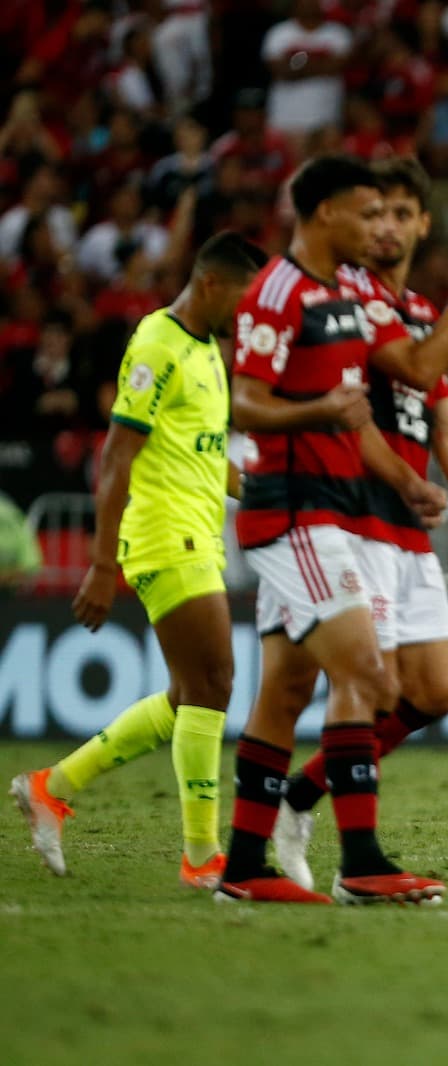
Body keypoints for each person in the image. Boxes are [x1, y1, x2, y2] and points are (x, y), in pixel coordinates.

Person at [217, 155, 448, 904]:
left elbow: (409, 387)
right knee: (369, 679)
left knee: (289, 690)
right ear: (326, 216)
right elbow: (250, 402)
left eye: (392, 212)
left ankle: (245, 868)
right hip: (302, 512)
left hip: (338, 510)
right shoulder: (287, 292)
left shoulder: (343, 302)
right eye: (365, 212)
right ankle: (362, 863)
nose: (377, 225)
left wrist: (443, 495)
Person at [10, 232, 268, 888]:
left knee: (191, 695)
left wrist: (273, 493)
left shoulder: (208, 349)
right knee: (214, 681)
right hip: (163, 534)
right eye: (246, 295)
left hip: (200, 532)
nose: (250, 311)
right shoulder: (156, 343)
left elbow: (206, 457)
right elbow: (116, 455)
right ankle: (202, 855)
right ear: (211, 283)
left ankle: (53, 785)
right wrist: (101, 564)